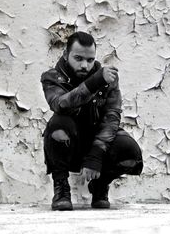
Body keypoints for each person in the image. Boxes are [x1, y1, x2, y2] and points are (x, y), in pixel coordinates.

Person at [41, 31, 143, 211]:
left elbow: (112, 117)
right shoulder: (52, 77)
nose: (85, 65)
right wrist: (95, 82)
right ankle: (61, 189)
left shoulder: (108, 78)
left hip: (97, 144)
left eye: (90, 60)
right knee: (58, 125)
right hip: (69, 145)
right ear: (65, 55)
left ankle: (100, 185)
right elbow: (61, 104)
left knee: (130, 153)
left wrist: (96, 154)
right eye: (78, 58)